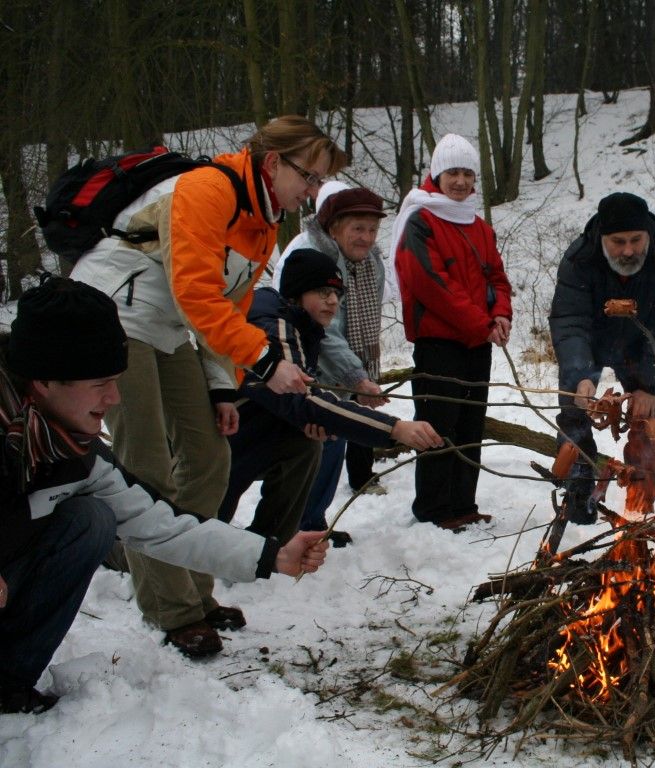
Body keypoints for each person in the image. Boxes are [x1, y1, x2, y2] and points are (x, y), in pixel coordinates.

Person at [70, 115, 346, 657]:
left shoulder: (264, 221)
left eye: (318, 183)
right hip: (117, 316)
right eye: (309, 178)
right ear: (273, 164)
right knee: (146, 464)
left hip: (171, 328)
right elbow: (197, 293)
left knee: (208, 457)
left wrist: (223, 386)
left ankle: (193, 589)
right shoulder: (206, 189)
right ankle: (170, 608)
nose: (312, 193)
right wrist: (266, 364)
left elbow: (232, 308)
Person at [0, 277, 330, 715]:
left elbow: (164, 527)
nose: (114, 398)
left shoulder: (75, 452)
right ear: (43, 380)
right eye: (100, 382)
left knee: (91, 519)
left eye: (116, 380)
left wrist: (271, 555)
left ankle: (8, 682)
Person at [218, 249, 442, 544]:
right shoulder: (276, 327)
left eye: (337, 294)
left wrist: (308, 419)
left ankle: (269, 543)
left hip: (245, 431)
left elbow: (298, 402)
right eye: (323, 292)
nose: (333, 301)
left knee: (307, 442)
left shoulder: (302, 326)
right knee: (195, 524)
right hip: (219, 435)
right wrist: (395, 428)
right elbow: (303, 399)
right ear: (297, 293)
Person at [391, 134, 512, 531]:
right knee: (437, 424)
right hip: (438, 341)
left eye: (467, 173)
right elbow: (432, 285)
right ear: (436, 174)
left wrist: (501, 315)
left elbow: (496, 277)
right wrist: (482, 322)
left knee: (470, 422)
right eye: (452, 173)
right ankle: (433, 509)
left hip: (478, 341)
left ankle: (463, 503)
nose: (460, 181)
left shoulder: (479, 226)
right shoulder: (421, 221)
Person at [548, 192, 655, 524]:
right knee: (574, 410)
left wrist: (649, 383)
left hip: (642, 343)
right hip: (592, 341)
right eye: (618, 242)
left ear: (647, 235)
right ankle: (578, 490)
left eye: (635, 240)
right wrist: (579, 374)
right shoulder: (579, 258)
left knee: (647, 420)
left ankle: (639, 501)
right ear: (602, 238)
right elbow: (570, 321)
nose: (628, 250)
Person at [275, 183, 393, 546]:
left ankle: (312, 522)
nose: (366, 237)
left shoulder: (370, 261)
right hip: (304, 365)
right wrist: (356, 376)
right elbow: (326, 330)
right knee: (313, 448)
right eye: (358, 228)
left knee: (332, 445)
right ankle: (291, 527)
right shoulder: (314, 257)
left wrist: (364, 374)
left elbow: (369, 319)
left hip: (343, 369)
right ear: (335, 226)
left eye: (372, 229)